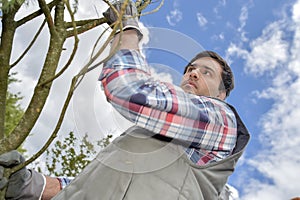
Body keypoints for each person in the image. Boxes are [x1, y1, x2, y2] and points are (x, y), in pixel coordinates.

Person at [0, 0, 250, 199]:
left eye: (206, 73)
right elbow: (88, 186)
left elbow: (130, 90)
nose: (193, 73)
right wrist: (30, 184)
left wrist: (127, 28)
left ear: (221, 95)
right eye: (190, 69)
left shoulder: (222, 120)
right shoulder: (147, 138)